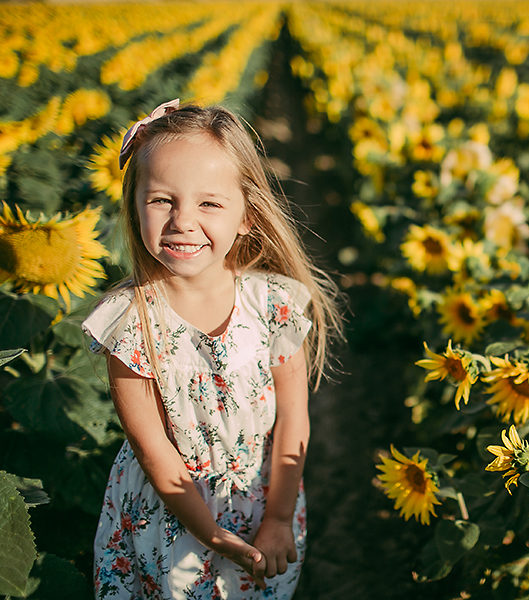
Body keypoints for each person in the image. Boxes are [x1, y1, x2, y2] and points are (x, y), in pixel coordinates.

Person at [82, 99, 342, 599]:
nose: (182, 220)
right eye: (161, 200)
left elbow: (292, 416)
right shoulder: (129, 323)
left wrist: (279, 517)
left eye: (209, 203)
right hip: (172, 519)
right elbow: (154, 451)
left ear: (246, 215)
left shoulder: (274, 304)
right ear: (135, 206)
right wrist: (213, 538)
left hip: (262, 501)